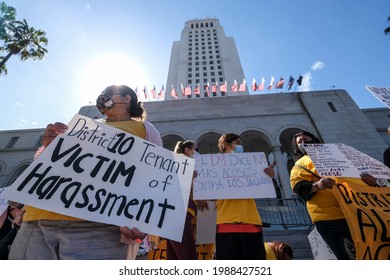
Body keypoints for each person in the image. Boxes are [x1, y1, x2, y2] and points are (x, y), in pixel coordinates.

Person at [9, 85, 163, 260]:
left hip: (98, 226)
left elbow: (155, 176)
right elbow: (47, 164)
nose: (103, 97)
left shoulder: (145, 129)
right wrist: (49, 145)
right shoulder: (80, 126)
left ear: (127, 98)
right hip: (38, 220)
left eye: (109, 93)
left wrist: (139, 220)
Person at [289, 130, 378, 260]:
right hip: (330, 218)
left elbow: (357, 177)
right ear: (297, 148)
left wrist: (371, 183)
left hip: (360, 211)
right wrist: (318, 185)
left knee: (373, 252)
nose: (303, 143)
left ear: (314, 139)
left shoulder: (340, 155)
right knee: (348, 257)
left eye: (305, 139)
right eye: (299, 142)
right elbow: (299, 188)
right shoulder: (300, 165)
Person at [215, 133, 275, 260]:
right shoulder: (214, 166)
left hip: (250, 219)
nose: (240, 146)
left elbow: (262, 188)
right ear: (226, 145)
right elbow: (208, 195)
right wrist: (196, 181)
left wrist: (268, 175)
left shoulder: (251, 164)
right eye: (237, 143)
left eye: (240, 143)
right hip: (226, 220)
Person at [165, 140, 198, 260]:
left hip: (179, 209)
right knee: (185, 249)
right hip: (180, 209)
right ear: (187, 150)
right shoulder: (181, 163)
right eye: (195, 150)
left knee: (175, 251)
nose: (196, 153)